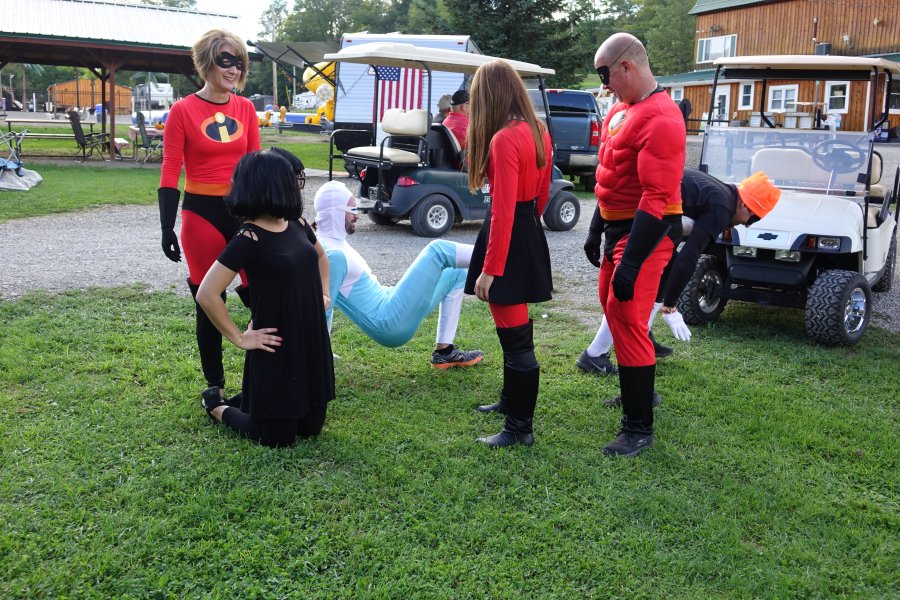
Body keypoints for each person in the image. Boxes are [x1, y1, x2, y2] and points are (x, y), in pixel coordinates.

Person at [578, 168, 783, 384]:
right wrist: (671, 305)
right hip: (636, 226)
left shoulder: (718, 192)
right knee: (630, 301)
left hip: (628, 220)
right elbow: (690, 255)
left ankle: (611, 347)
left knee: (660, 273)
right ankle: (613, 357)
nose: (746, 224)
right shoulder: (723, 207)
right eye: (752, 219)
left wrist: (595, 231)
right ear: (744, 204)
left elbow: (616, 189)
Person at [584, 33, 686, 457]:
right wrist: (595, 228)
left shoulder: (662, 117)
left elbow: (655, 198)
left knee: (626, 313)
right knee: (611, 305)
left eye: (606, 75)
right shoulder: (622, 110)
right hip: (618, 227)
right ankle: (635, 395)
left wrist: (631, 264)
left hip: (649, 230)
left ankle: (639, 427)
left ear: (627, 66)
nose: (605, 86)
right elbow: (612, 177)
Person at [196, 150, 334, 447]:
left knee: (311, 427)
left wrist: (324, 294)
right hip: (276, 344)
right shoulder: (249, 237)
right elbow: (207, 293)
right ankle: (217, 407)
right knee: (277, 438)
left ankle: (255, 398)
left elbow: (321, 256)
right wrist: (240, 338)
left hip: (309, 338)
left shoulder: (297, 223)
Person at [156, 29, 261, 404]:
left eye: (239, 61)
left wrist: (269, 216)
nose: (234, 69)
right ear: (205, 62)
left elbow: (254, 166)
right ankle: (214, 384)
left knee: (261, 295)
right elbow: (170, 169)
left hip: (243, 212)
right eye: (225, 59)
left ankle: (276, 366)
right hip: (200, 213)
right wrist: (167, 225)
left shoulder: (246, 109)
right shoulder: (183, 110)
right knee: (207, 297)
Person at [464, 60, 554, 448]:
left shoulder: (504, 138)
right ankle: (509, 402)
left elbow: (502, 210)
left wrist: (490, 270)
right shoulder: (538, 130)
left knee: (516, 339)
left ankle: (519, 429)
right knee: (514, 333)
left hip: (509, 236)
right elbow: (543, 194)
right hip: (529, 228)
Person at [314, 180, 484, 369]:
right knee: (438, 250)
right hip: (388, 322)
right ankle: (499, 256)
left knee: (456, 273)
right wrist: (321, 355)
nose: (357, 216)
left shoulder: (333, 245)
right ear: (336, 211)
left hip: (390, 303)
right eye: (352, 210)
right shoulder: (332, 255)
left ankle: (444, 353)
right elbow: (324, 309)